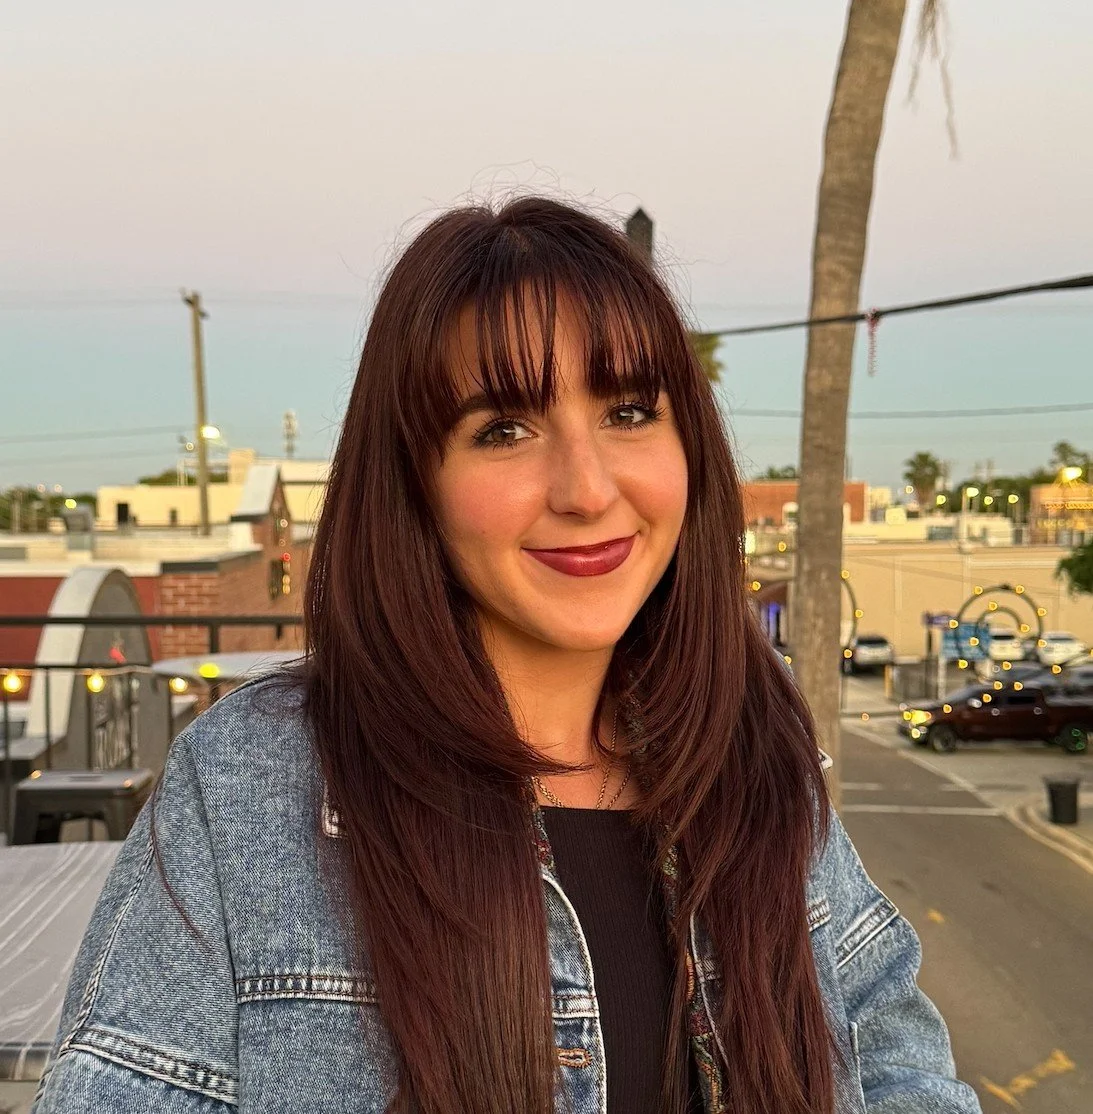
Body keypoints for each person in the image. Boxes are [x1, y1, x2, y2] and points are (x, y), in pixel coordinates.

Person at [32, 197, 981, 1114]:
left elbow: (891, 1055)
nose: (586, 489)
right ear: (415, 483)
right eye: (503, 430)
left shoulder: (745, 740)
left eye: (628, 412)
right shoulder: (256, 782)